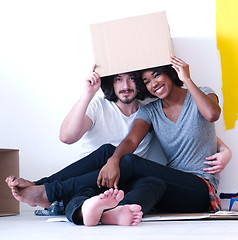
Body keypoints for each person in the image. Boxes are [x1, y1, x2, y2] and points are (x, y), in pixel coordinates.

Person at [6, 55, 225, 226]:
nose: (153, 84)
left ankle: (48, 192)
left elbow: (211, 115)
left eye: (157, 75)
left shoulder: (203, 93)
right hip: (169, 185)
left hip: (201, 188)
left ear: (170, 73)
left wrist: (186, 78)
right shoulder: (150, 111)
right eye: (147, 81)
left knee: (128, 162)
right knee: (120, 160)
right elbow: (130, 140)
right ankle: (111, 211)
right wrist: (113, 160)